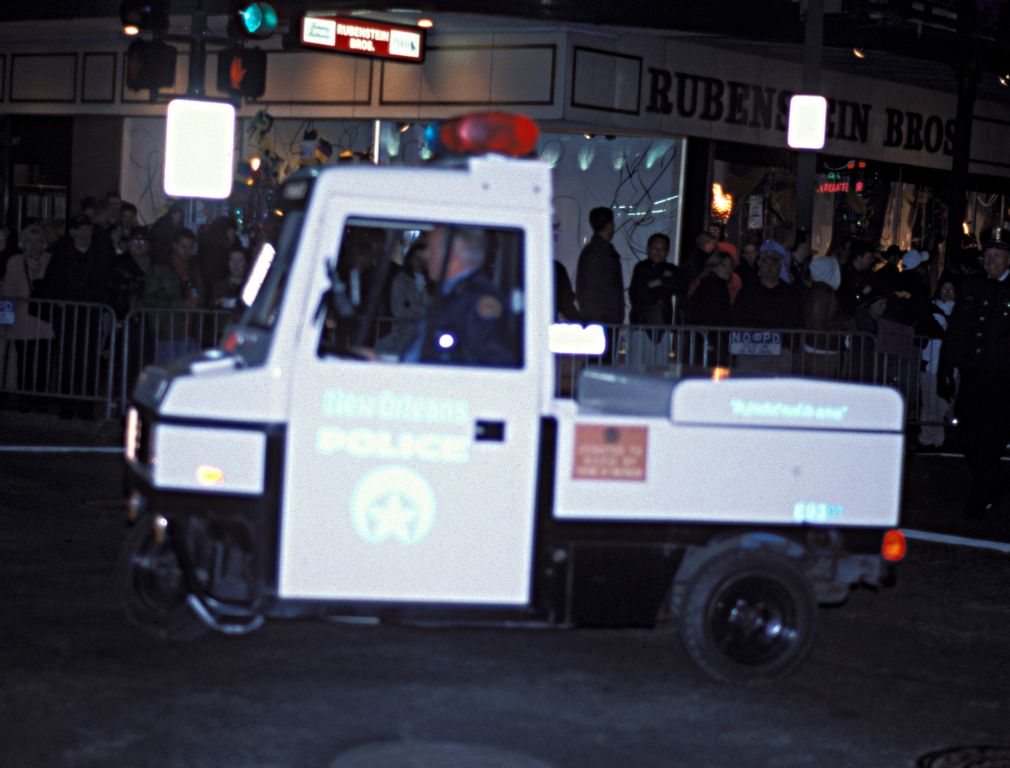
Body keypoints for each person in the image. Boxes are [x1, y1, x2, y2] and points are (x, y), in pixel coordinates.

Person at [938, 226, 1010, 517]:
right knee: (967, 433)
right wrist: (946, 368)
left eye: (997, 255)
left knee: (990, 437)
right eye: (987, 254)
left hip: (1001, 377)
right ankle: (989, 483)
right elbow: (956, 331)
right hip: (973, 372)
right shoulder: (972, 286)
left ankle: (983, 492)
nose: (990, 260)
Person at [402, 226, 518, 367]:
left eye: (431, 247)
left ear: (454, 251)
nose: (425, 254)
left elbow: (492, 365)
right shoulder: (451, 296)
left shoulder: (476, 301)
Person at [38, 213, 115, 418]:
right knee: (67, 359)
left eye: (88, 231)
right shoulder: (62, 256)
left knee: (89, 360)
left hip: (90, 316)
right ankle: (67, 403)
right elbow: (51, 285)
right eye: (81, 231)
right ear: (72, 233)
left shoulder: (98, 257)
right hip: (68, 317)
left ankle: (86, 403)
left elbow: (105, 284)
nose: (85, 235)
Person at [0, 224, 54, 410]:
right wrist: (5, 322)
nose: (34, 245)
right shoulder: (15, 262)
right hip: (23, 321)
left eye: (38, 241)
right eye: (30, 241)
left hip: (45, 321)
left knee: (43, 361)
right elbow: (7, 292)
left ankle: (40, 398)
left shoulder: (50, 260)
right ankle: (25, 397)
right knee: (25, 360)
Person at [144, 227, 205, 364]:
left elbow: (201, 292)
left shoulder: (194, 268)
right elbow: (150, 299)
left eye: (190, 247)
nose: (187, 251)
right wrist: (181, 304)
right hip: (168, 332)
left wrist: (198, 302)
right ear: (174, 245)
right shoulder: (160, 269)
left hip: (191, 331)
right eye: (183, 246)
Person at [627, 233, 681, 368]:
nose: (658, 252)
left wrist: (658, 282)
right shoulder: (641, 268)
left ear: (667, 252)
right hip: (641, 322)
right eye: (655, 248)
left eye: (662, 249)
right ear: (648, 249)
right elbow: (638, 293)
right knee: (638, 364)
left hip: (663, 323)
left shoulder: (671, 269)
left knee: (659, 366)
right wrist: (663, 282)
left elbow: (678, 285)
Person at [918, 276, 956, 449]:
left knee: (943, 403)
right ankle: (927, 437)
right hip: (931, 364)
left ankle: (939, 436)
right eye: (944, 290)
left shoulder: (960, 312)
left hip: (951, 366)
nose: (947, 293)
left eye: (950, 290)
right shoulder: (930, 311)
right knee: (929, 402)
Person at [731, 242, 803, 329]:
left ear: (779, 265)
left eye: (774, 262)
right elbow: (738, 318)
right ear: (759, 263)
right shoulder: (747, 292)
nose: (770, 266)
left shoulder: (789, 293)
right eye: (765, 262)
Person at [376, 241, 430, 356]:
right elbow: (398, 310)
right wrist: (421, 312)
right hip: (404, 334)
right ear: (410, 258)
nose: (419, 262)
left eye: (423, 258)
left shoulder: (435, 282)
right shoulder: (401, 280)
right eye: (416, 258)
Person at [575, 207, 625, 326]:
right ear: (609, 225)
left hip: (598, 318)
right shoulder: (603, 252)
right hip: (604, 319)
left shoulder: (591, 251)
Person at [211, 245, 248, 310]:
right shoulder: (220, 286)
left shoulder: (252, 286)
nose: (236, 264)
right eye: (232, 260)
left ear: (245, 263)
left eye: (240, 260)